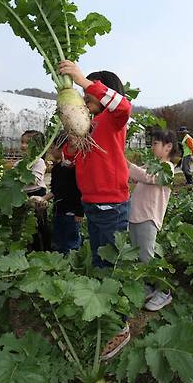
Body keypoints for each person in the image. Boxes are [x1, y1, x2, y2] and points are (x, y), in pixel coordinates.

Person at [57, 60, 132, 359]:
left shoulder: (114, 121)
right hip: (93, 205)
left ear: (104, 95)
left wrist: (82, 80)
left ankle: (121, 326)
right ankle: (107, 317)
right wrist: (72, 139)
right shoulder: (88, 125)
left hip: (113, 206)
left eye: (89, 100)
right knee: (100, 264)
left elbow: (124, 106)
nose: (86, 104)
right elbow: (69, 157)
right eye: (85, 101)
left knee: (111, 268)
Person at [127, 129, 176, 311]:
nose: (152, 147)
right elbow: (138, 177)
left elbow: (148, 177)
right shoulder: (151, 164)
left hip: (149, 217)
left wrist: (129, 165)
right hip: (135, 214)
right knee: (138, 256)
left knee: (148, 257)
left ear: (168, 147)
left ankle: (164, 292)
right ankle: (148, 287)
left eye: (155, 143)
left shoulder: (167, 168)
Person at [32, 134, 83, 253]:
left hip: (72, 211)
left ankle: (71, 265)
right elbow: (56, 190)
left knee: (70, 242)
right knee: (59, 240)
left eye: (52, 147)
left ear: (62, 147)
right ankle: (60, 266)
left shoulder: (75, 168)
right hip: (59, 210)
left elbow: (81, 191)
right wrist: (43, 198)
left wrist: (80, 212)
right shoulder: (56, 169)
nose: (50, 150)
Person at [20, 129, 51, 252]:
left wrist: (17, 178)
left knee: (39, 224)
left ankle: (43, 250)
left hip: (37, 195)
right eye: (22, 142)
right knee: (27, 225)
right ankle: (30, 249)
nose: (23, 146)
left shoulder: (39, 162)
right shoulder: (20, 163)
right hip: (24, 195)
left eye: (27, 143)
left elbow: (34, 179)